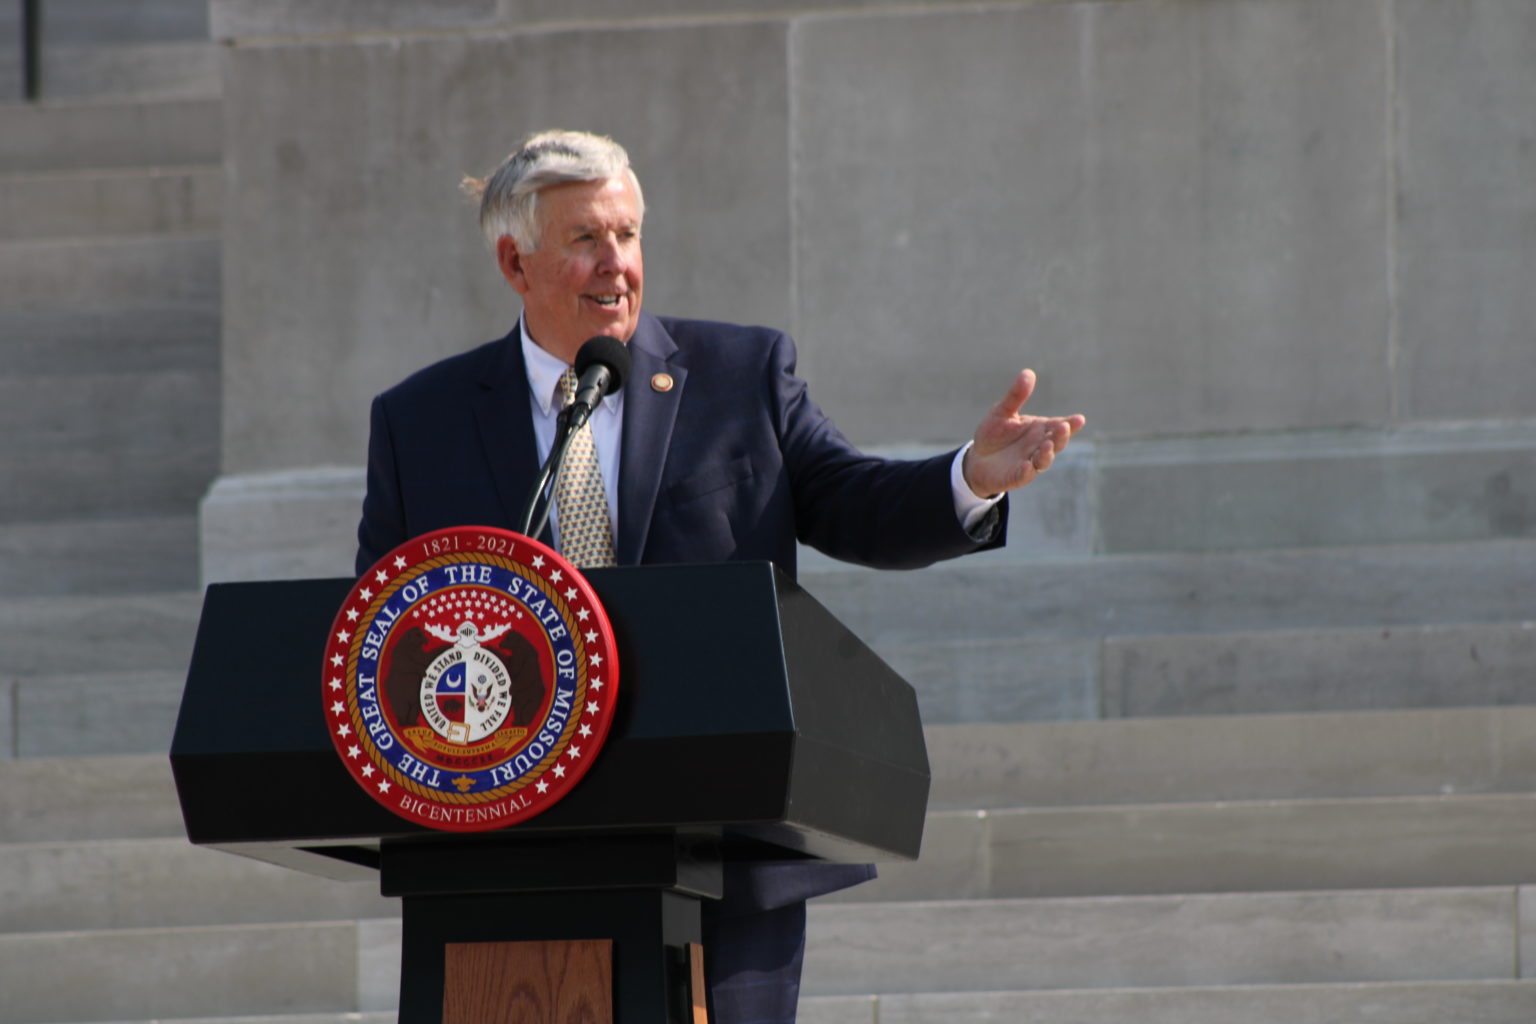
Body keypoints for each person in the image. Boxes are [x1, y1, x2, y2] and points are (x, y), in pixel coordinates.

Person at [356, 129, 1085, 1023]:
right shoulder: (420, 422)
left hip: (723, 843)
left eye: (628, 234)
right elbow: (380, 628)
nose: (616, 263)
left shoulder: (741, 377)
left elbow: (854, 503)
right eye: (585, 239)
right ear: (516, 262)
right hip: (502, 853)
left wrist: (969, 478)